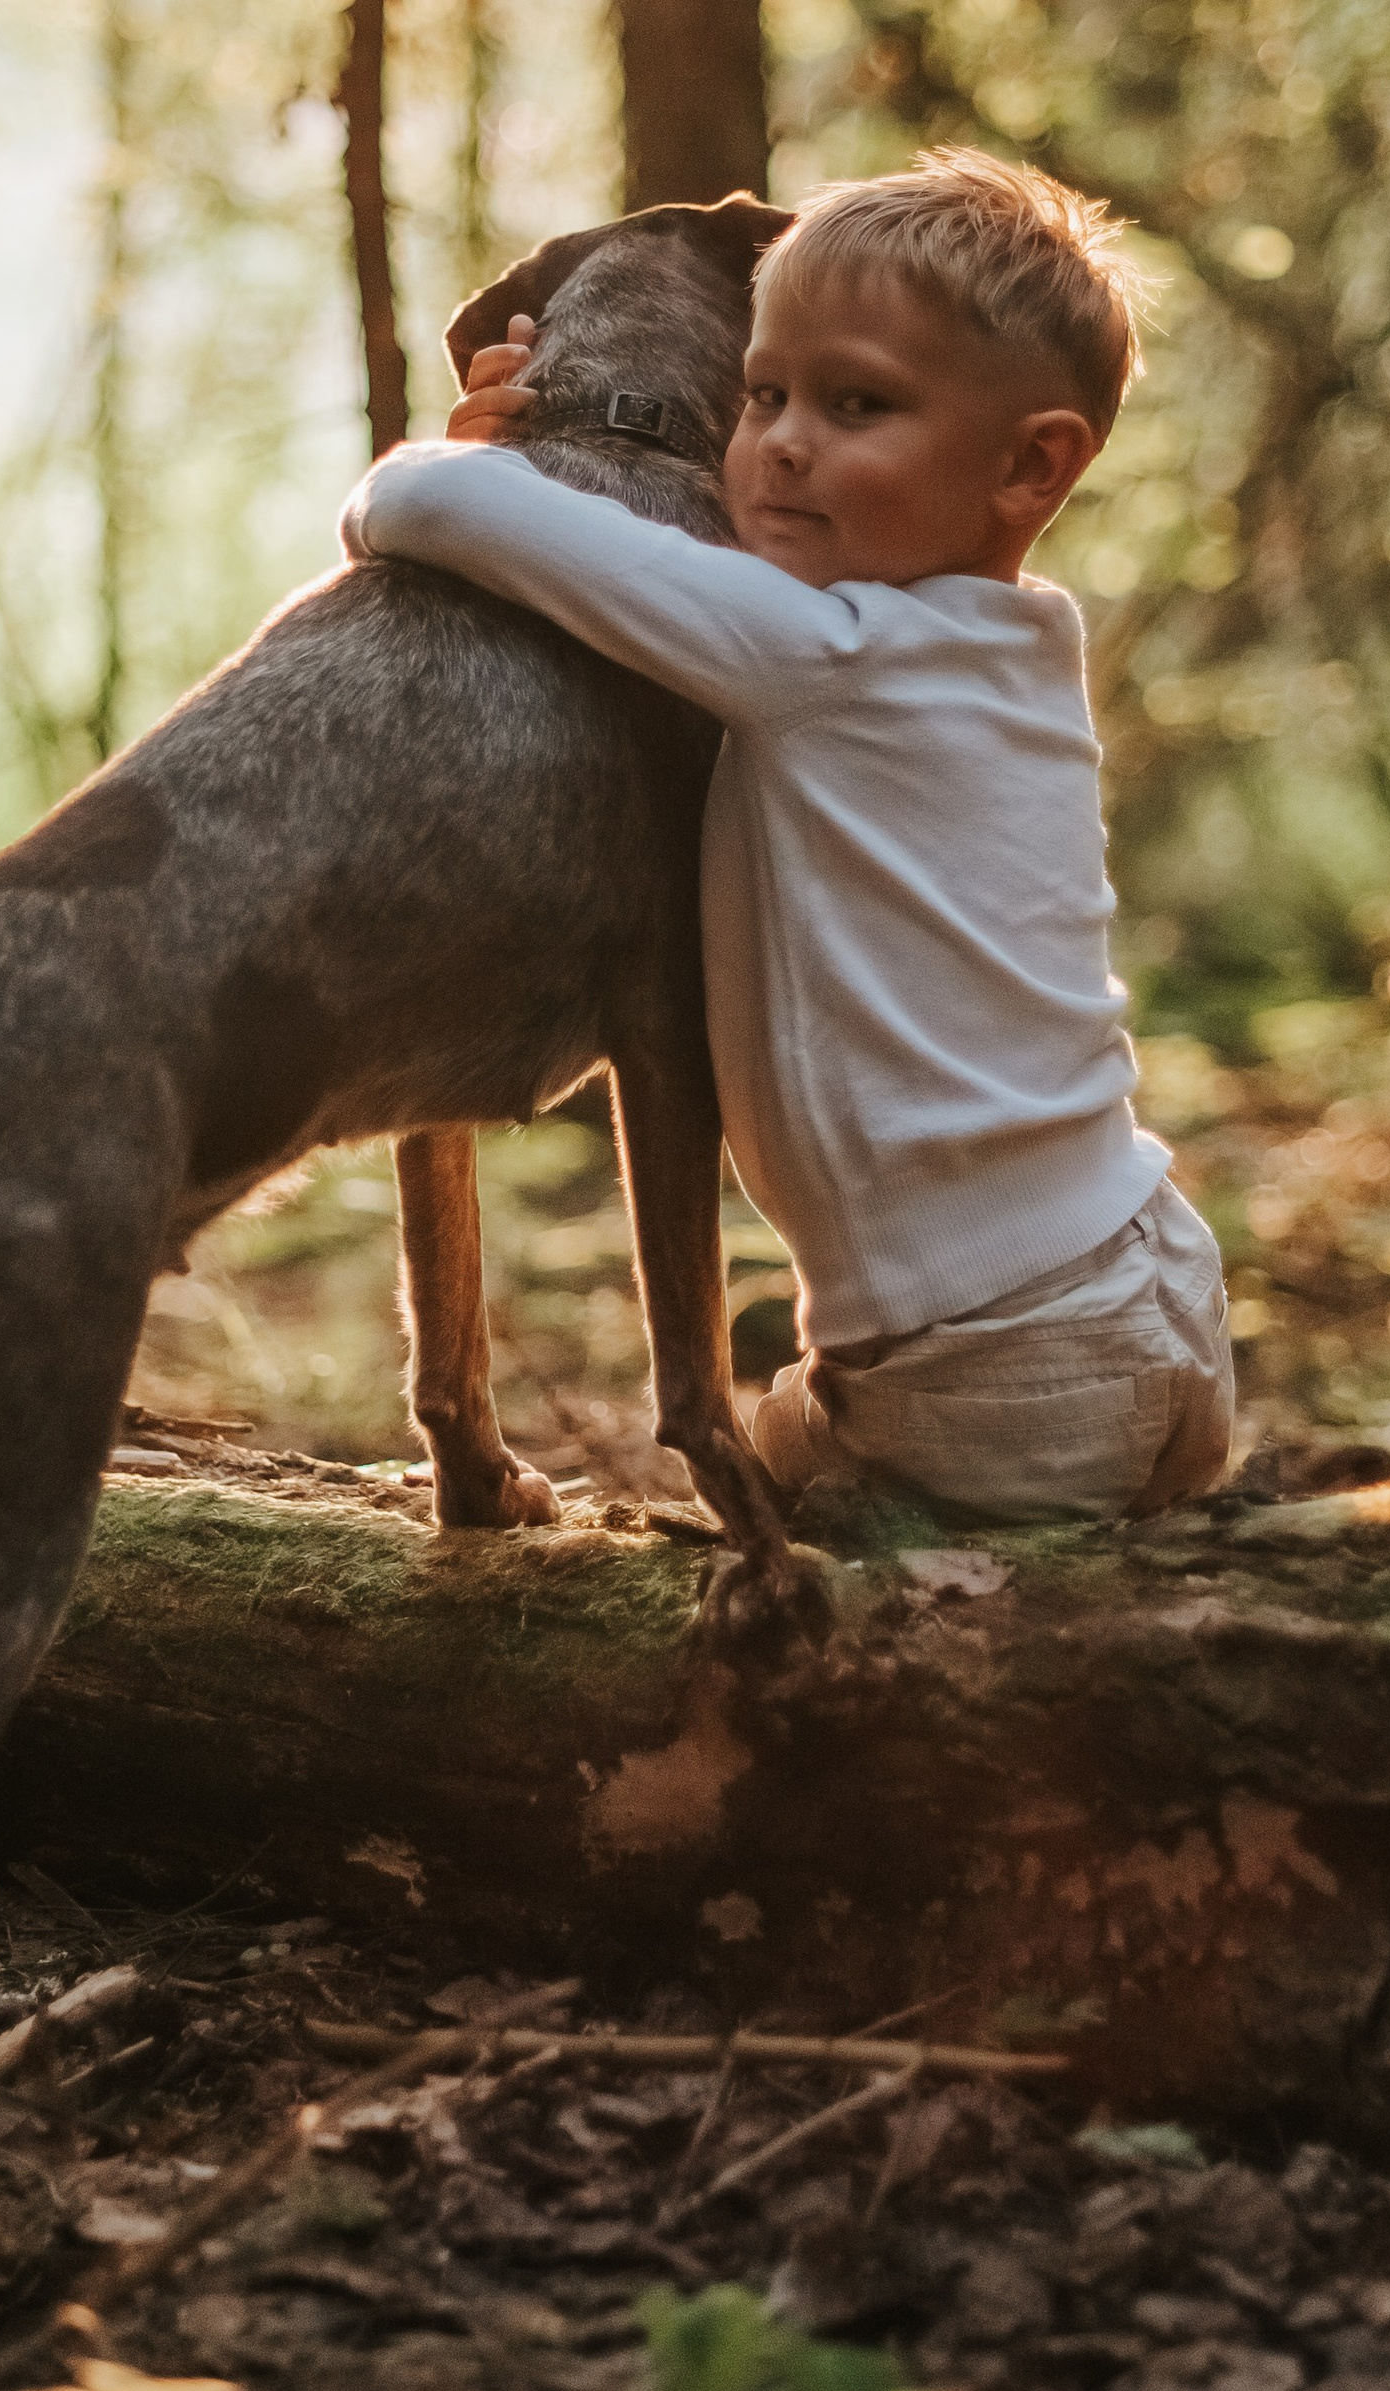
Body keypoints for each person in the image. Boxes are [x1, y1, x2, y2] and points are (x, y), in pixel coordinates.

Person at [335, 148, 1230, 1524]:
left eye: (856, 403)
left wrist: (490, 448)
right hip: (1143, 1278)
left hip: (992, 1357)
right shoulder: (1008, 653)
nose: (781, 442)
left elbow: (414, 505)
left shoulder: (823, 659)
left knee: (815, 1546)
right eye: (762, 393)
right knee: (793, 1437)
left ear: (1031, 464)